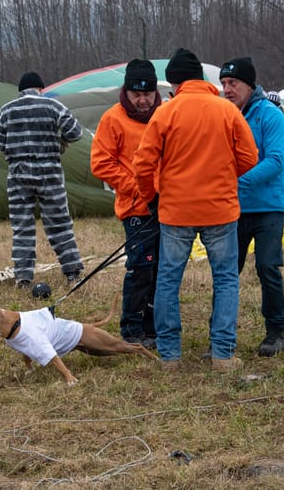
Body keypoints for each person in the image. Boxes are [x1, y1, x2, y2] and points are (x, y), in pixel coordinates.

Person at [133, 48, 258, 372]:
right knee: (226, 280)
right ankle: (222, 354)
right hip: (221, 210)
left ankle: (170, 357)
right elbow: (249, 157)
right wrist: (222, 177)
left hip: (176, 211)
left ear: (174, 83)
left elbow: (143, 164)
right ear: (202, 79)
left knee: (168, 281)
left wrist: (152, 198)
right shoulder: (226, 110)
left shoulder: (166, 112)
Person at [220, 58, 284, 357]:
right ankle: (221, 335)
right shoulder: (222, 114)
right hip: (232, 208)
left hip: (268, 206)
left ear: (250, 85)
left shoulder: (270, 115)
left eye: (233, 84)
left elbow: (274, 161)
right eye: (223, 84)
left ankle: (276, 331)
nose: (227, 89)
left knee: (267, 266)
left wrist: (237, 184)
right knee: (226, 270)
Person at [90, 59, 162, 348]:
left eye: (147, 94)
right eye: (136, 95)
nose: (143, 100)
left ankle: (155, 326)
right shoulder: (113, 119)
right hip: (136, 209)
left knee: (162, 270)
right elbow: (101, 163)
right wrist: (137, 187)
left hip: (168, 206)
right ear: (126, 92)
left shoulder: (166, 114)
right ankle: (132, 329)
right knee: (141, 269)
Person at [0, 71, 84, 288]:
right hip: (49, 172)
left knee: (22, 227)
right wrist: (59, 139)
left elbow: (1, 144)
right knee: (59, 224)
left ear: (20, 91)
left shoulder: (5, 111)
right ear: (41, 89)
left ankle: (23, 278)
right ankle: (72, 272)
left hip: (18, 173)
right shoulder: (53, 106)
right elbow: (76, 133)